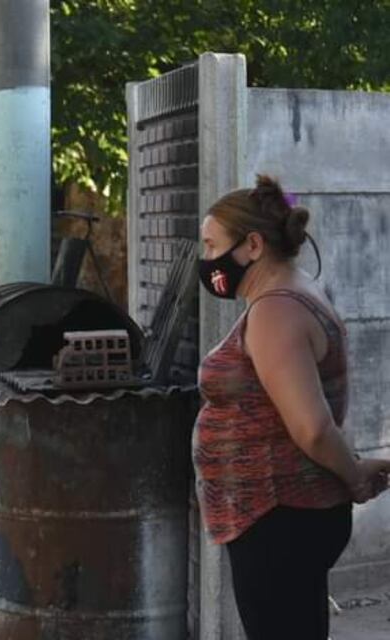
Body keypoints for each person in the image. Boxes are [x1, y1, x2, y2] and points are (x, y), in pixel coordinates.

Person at [193, 175, 390, 640]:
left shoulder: (276, 311)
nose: (207, 261)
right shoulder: (290, 295)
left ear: (253, 245)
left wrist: (355, 475)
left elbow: (313, 428)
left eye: (211, 245)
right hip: (283, 514)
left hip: (278, 517)